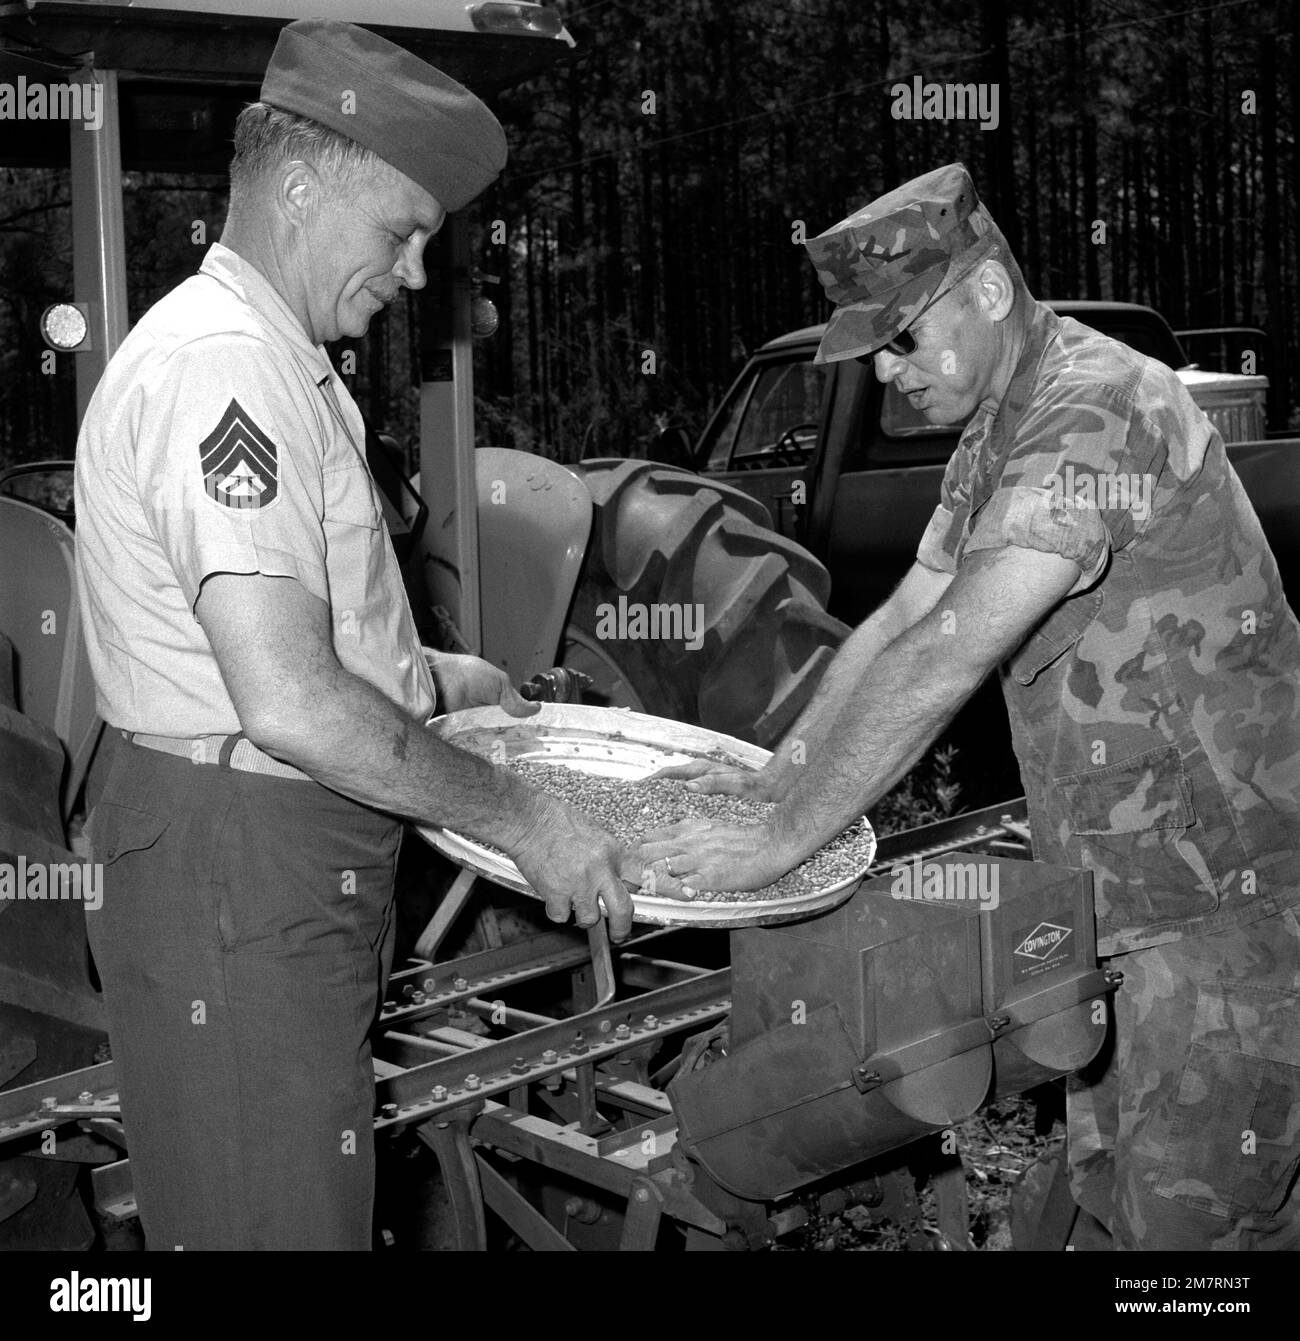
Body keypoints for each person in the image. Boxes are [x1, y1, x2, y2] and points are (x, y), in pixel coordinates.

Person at [641, 162, 1300, 1250]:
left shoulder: (1094, 409)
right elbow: (902, 619)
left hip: (1223, 917)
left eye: (903, 340)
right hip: (1119, 908)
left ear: (988, 293)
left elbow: (952, 652)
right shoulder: (1000, 428)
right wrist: (774, 784)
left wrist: (780, 840)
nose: (890, 375)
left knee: (1200, 1231)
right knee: (1118, 1194)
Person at [74, 18, 635, 1251]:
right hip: (244, 856)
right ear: (308, 176)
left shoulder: (280, 359)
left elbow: (285, 650)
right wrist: (527, 816)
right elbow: (286, 700)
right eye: (402, 231)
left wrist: (437, 677)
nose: (419, 274)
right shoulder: (228, 369)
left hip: (270, 841)